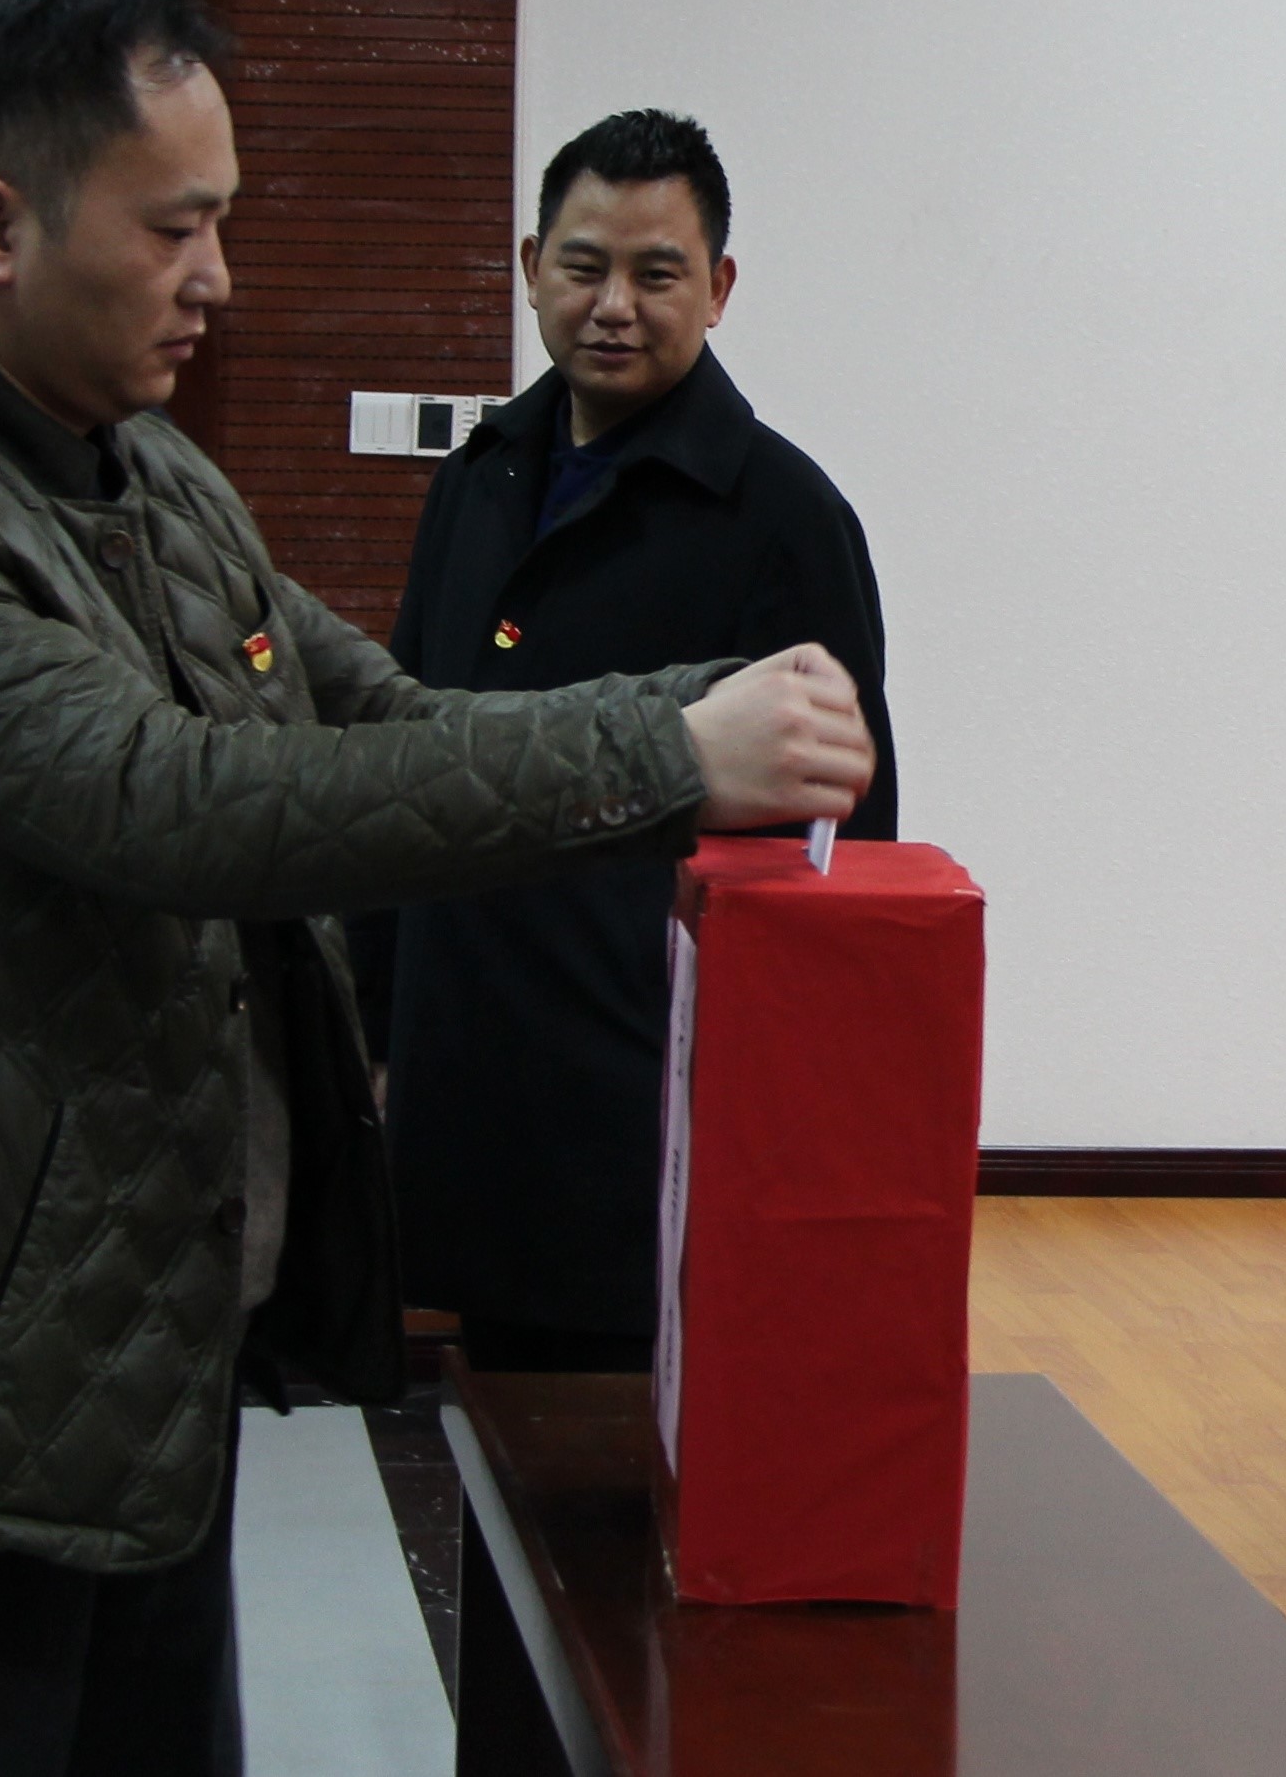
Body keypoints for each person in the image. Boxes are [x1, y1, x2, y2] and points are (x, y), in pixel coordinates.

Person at [0, 0, 875, 1777]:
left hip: (127, 1376)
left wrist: (694, 706)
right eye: (174, 228)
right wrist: (669, 751)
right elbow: (181, 805)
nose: (218, 278)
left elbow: (383, 712)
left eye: (222, 223)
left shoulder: (149, 475)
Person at [361, 108, 897, 1375]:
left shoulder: (784, 514)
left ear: (717, 288)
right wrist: (373, 1020)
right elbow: (394, 754)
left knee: (623, 1441)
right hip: (465, 1060)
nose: (613, 305)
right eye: (582, 265)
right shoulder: (478, 477)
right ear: (529, 265)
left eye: (656, 273)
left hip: (639, 1085)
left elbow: (844, 846)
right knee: (490, 1428)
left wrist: (790, 1108)